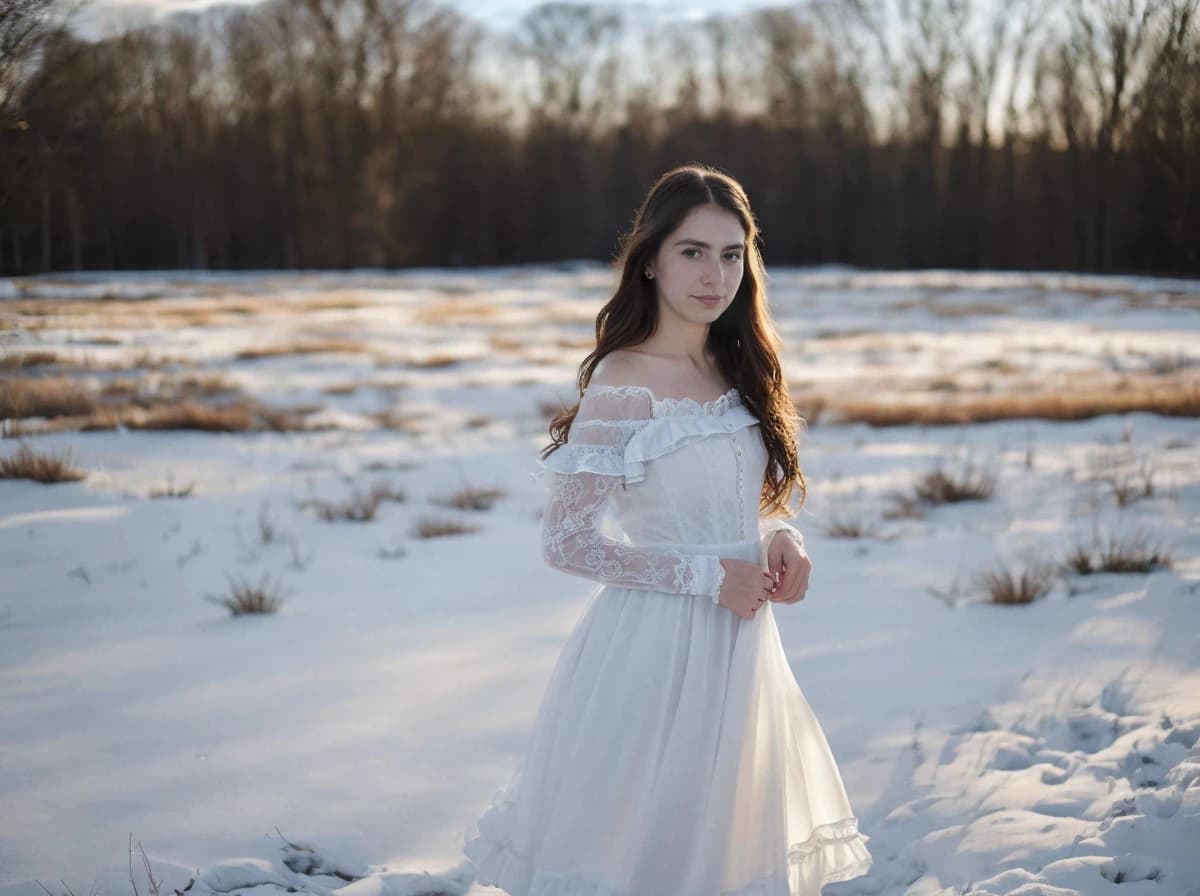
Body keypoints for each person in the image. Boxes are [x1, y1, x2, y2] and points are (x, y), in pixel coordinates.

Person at [462, 164, 872, 895]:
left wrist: (782, 538)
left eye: (730, 254)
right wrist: (707, 576)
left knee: (725, 850)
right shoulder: (626, 379)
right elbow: (567, 542)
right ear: (650, 260)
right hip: (654, 654)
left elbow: (737, 500)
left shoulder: (737, 362)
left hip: (741, 652)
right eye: (692, 251)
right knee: (645, 854)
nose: (714, 275)